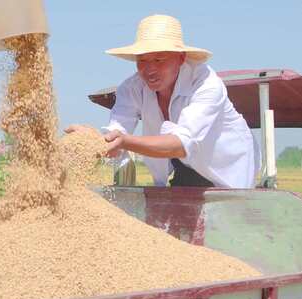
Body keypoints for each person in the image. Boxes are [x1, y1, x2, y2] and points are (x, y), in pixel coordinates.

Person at [67, 14, 259, 188]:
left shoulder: (206, 84)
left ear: (181, 58)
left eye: (159, 60)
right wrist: (89, 140)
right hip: (184, 165)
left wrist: (124, 141)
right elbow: (116, 134)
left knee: (221, 221)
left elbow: (181, 144)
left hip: (224, 166)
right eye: (142, 60)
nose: (149, 69)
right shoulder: (132, 88)